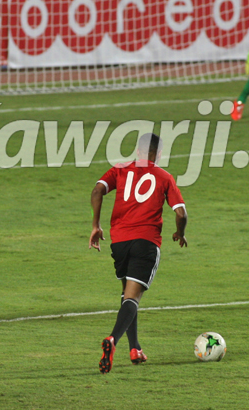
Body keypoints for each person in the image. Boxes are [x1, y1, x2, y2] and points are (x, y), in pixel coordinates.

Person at [89, 133, 188, 374]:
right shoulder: (164, 177)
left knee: (126, 295)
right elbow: (181, 213)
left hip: (120, 242)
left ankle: (135, 348)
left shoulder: (120, 170)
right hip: (145, 242)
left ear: (137, 151)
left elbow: (97, 190)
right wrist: (180, 233)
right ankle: (112, 340)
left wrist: (96, 225)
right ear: (160, 154)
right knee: (132, 298)